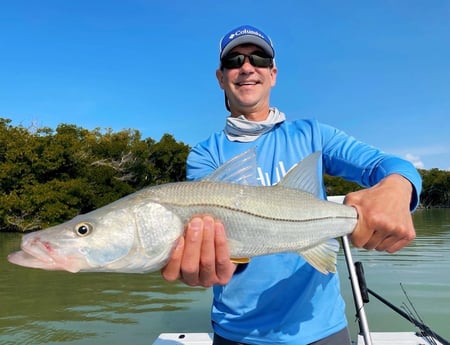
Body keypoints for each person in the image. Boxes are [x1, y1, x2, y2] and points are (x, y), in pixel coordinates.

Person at [161, 25, 422, 345]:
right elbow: (223, 248)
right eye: (234, 60)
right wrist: (210, 263)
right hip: (237, 333)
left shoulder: (314, 135)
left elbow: (390, 165)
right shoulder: (206, 154)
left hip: (321, 329)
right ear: (220, 77)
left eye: (258, 58)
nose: (246, 67)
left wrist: (397, 188)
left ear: (273, 73)